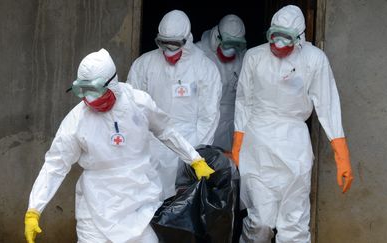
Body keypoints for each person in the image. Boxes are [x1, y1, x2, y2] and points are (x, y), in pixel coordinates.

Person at [24, 48, 215, 243]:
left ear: (112, 83)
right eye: (84, 90)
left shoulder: (139, 103)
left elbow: (166, 130)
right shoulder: (76, 121)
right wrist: (34, 209)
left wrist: (194, 159)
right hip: (95, 208)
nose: (89, 98)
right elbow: (56, 165)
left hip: (138, 204)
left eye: (95, 90)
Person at [230, 5, 354, 243]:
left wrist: (342, 154)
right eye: (273, 38)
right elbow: (243, 101)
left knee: (294, 223)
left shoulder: (314, 59)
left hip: (294, 145)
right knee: (260, 222)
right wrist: (238, 144)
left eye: (285, 40)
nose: (277, 46)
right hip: (257, 145)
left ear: (299, 38)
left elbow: (328, 105)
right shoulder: (254, 56)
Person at [127, 10, 222, 200]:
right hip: (150, 148)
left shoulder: (205, 68)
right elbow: (132, 110)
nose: (169, 50)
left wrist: (194, 156)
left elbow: (208, 117)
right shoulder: (144, 64)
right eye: (164, 43)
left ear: (187, 40)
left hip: (187, 147)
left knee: (178, 207)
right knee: (146, 205)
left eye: (175, 44)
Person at [196, 14, 247, 153]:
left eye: (236, 44)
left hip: (231, 123)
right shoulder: (198, 53)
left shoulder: (244, 57)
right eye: (227, 43)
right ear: (216, 38)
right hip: (203, 119)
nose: (231, 49)